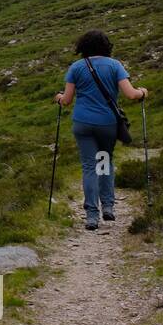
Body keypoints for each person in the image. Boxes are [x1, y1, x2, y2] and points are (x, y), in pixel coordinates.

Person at [53, 30, 148, 229]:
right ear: (106, 46)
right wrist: (142, 92)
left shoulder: (76, 67)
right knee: (104, 162)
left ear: (83, 47)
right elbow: (131, 95)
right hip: (107, 125)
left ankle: (91, 216)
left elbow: (68, 100)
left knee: (89, 167)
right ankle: (108, 207)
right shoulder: (115, 66)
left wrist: (59, 98)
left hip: (83, 124)